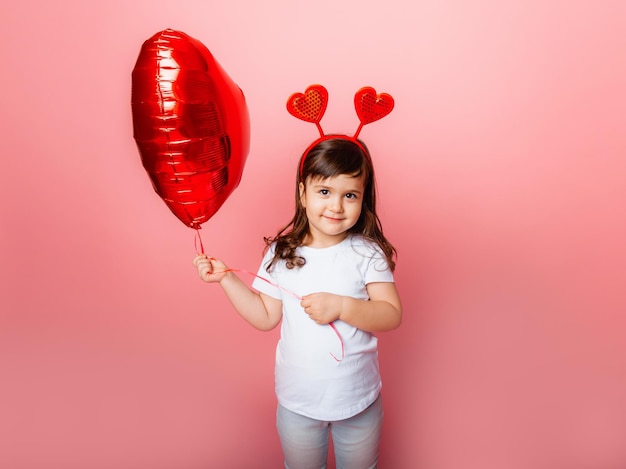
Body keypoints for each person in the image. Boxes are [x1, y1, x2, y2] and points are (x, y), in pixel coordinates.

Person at [193, 136, 401, 469]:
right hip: (298, 403)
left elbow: (391, 314)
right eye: (324, 192)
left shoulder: (366, 253)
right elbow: (264, 316)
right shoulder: (281, 253)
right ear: (303, 194)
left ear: (364, 199)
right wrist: (227, 279)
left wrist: (343, 307)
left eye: (350, 195)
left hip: (358, 401)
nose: (336, 206)